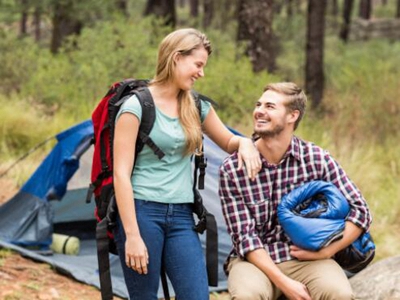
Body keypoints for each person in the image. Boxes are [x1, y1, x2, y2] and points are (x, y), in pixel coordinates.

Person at [112, 28, 261, 300]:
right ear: (177, 58)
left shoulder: (196, 105)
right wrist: (132, 235)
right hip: (142, 213)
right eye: (198, 65)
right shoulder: (135, 107)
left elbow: (229, 141)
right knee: (144, 296)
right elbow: (120, 175)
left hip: (182, 216)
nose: (201, 73)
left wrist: (245, 143)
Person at [218, 82, 372, 300]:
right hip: (254, 261)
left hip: (306, 258)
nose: (259, 111)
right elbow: (245, 238)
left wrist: (327, 251)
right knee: (247, 296)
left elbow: (361, 211)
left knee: (339, 293)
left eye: (270, 106)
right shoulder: (233, 168)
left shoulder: (317, 159)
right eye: (258, 104)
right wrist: (286, 284)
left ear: (292, 116)